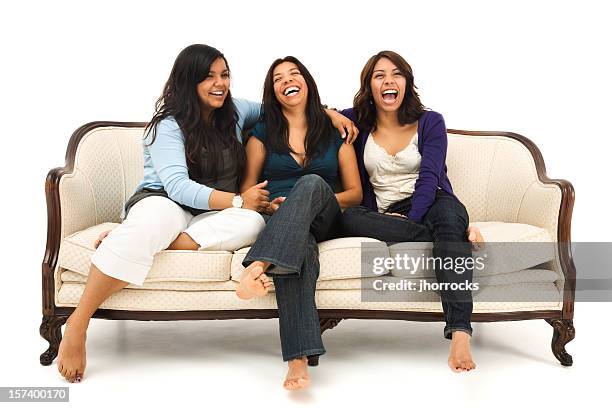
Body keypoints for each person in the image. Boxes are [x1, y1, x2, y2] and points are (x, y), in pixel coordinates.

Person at [56, 44, 357, 383]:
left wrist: (328, 112)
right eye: (209, 77)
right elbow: (179, 188)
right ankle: (78, 324)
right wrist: (239, 201)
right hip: (167, 201)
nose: (220, 83)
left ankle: (136, 240)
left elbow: (285, 106)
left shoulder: (236, 111)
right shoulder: (167, 126)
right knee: (160, 221)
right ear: (188, 82)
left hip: (211, 215)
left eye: (224, 75)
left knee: (254, 222)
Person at [340, 50, 482, 373]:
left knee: (447, 220)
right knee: (347, 217)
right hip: (383, 212)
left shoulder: (431, 122)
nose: (388, 81)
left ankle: (460, 331)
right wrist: (333, 115)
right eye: (379, 75)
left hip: (434, 202)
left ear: (407, 82)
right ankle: (456, 235)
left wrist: (411, 221)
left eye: (396, 74)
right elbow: (319, 113)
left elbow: (430, 178)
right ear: (369, 86)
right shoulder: (359, 123)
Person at [234, 56, 362, 390]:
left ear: (307, 81)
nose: (287, 80)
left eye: (294, 73)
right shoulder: (261, 134)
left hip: (326, 215)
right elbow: (248, 189)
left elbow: (355, 193)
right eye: (278, 78)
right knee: (299, 251)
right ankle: (297, 359)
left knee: (311, 184)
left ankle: (258, 264)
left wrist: (307, 202)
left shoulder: (335, 132)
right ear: (273, 91)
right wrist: (269, 203)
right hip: (280, 220)